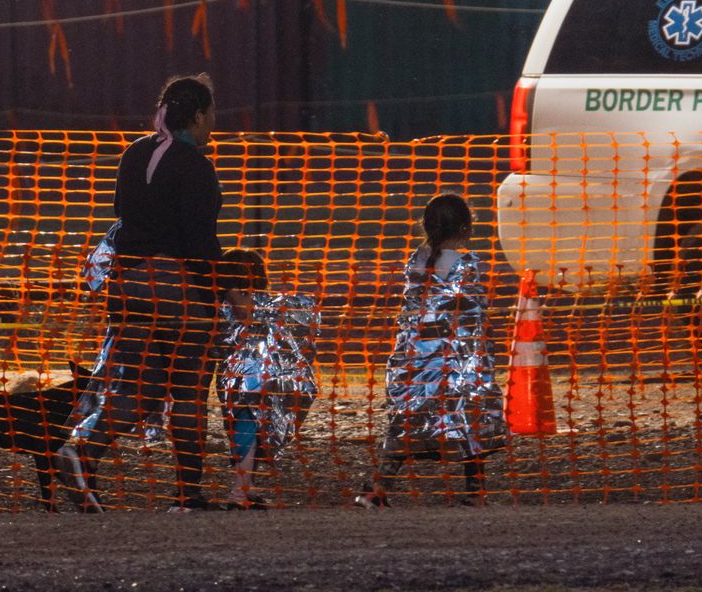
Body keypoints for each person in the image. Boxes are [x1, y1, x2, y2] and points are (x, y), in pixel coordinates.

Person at [60, 73, 226, 512]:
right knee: (189, 390)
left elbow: (122, 214)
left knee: (141, 387)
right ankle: (189, 494)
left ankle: (83, 449)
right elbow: (199, 242)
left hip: (128, 285)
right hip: (176, 287)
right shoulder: (196, 166)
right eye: (211, 115)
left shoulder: (134, 154)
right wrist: (224, 287)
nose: (213, 124)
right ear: (196, 115)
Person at [356, 192, 508, 507]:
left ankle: (377, 488)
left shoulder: (417, 259)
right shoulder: (466, 264)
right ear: (467, 227)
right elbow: (473, 313)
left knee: (407, 421)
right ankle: (474, 494)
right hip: (454, 360)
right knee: (472, 418)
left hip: (414, 357)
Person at [213, 248, 319, 509]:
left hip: (245, 375)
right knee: (247, 430)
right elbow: (244, 312)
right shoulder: (236, 299)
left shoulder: (231, 299)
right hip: (245, 375)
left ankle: (243, 490)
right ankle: (239, 492)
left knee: (250, 429)